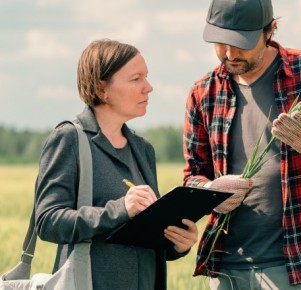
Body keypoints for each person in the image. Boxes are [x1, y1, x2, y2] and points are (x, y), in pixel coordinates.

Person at [182, 0, 301, 289]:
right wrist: (209, 191)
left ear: (271, 30)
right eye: (221, 42)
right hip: (226, 268)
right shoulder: (203, 92)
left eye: (241, 42)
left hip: (297, 266)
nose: (229, 54)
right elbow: (193, 174)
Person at [35, 39, 198, 290]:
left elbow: (141, 237)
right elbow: (48, 221)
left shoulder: (143, 149)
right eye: (136, 79)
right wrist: (119, 209)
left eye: (147, 77)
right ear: (102, 88)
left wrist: (177, 245)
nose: (149, 87)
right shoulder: (69, 139)